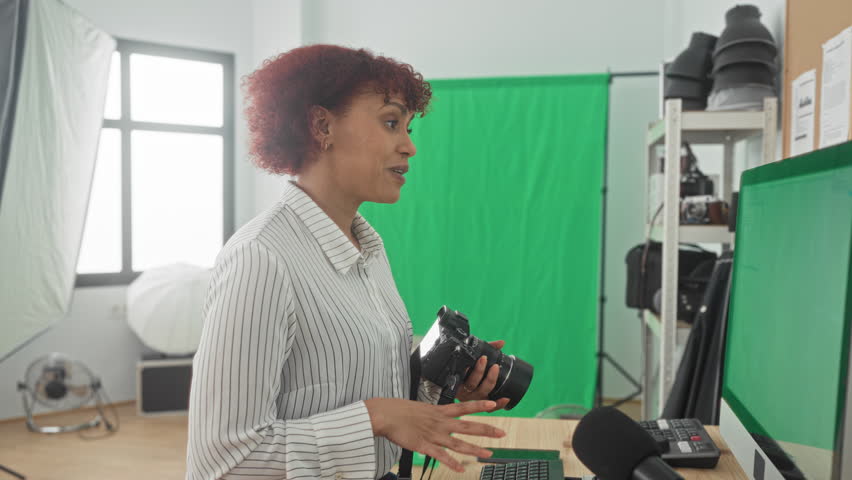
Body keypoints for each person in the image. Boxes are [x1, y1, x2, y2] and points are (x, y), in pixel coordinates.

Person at [186, 44, 511, 480]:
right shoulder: (260, 260)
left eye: (409, 128)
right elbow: (223, 462)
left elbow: (366, 385)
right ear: (322, 125)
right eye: (391, 122)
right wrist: (374, 417)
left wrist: (441, 384)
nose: (410, 147)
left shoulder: (369, 249)